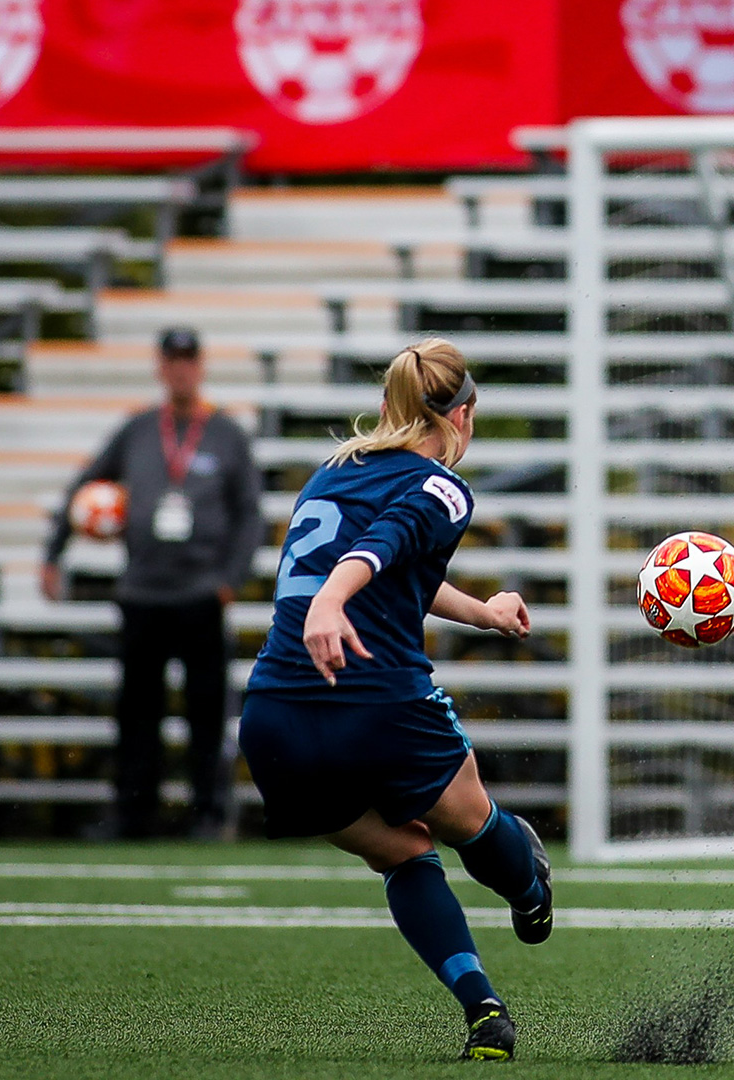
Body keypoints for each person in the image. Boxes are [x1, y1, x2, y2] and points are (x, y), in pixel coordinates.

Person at [237, 338, 550, 1063]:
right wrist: (330, 603)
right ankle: (530, 887)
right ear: (463, 417)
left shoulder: (332, 471)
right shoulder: (444, 488)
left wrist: (484, 612)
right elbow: (382, 545)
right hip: (377, 704)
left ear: (388, 409)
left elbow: (392, 565)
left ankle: (484, 1011)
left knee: (407, 855)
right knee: (473, 825)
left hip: (276, 721)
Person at [43, 326, 263, 839]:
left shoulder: (227, 435)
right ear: (161, 367)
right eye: (172, 360)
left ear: (201, 366)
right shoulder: (139, 430)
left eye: (189, 360)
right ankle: (132, 816)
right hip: (142, 594)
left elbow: (249, 515)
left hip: (201, 595)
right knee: (137, 713)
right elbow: (85, 486)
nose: (181, 369)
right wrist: (53, 552)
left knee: (207, 714)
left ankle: (209, 815)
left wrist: (230, 580)